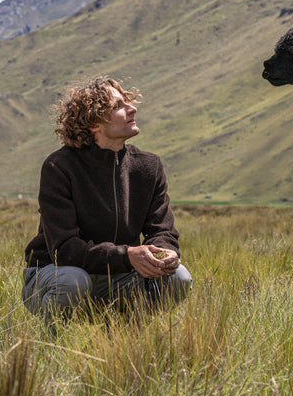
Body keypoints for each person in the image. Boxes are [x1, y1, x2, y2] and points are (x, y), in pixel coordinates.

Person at [22, 76, 192, 326]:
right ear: (93, 123)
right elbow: (64, 250)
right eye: (118, 106)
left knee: (179, 277)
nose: (132, 108)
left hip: (120, 278)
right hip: (55, 276)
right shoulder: (59, 167)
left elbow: (163, 231)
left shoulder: (149, 167)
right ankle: (52, 349)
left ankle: (126, 339)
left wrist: (164, 254)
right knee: (73, 281)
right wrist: (126, 255)